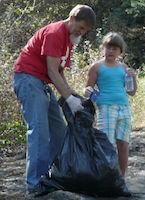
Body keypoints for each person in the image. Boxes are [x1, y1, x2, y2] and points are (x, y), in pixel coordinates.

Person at [13, 4, 96, 197]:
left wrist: (71, 94)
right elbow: (51, 69)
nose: (81, 33)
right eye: (81, 27)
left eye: (85, 31)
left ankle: (51, 176)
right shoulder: (55, 33)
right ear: (72, 17)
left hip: (42, 83)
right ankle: (34, 185)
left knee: (60, 130)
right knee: (39, 131)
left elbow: (59, 72)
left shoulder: (68, 40)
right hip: (28, 78)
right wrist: (67, 98)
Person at [83, 32, 137, 177]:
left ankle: (121, 178)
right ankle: (106, 178)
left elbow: (131, 92)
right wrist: (90, 93)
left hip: (124, 108)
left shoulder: (123, 67)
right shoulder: (97, 67)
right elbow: (87, 89)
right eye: (108, 47)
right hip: (106, 108)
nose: (110, 51)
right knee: (107, 146)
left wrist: (133, 78)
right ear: (103, 48)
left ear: (120, 51)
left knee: (124, 145)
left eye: (114, 48)